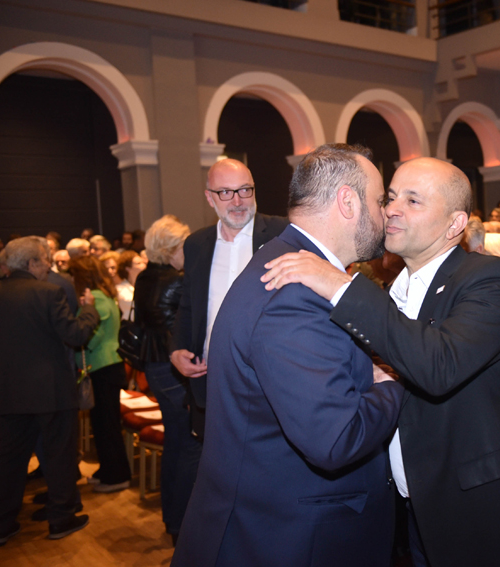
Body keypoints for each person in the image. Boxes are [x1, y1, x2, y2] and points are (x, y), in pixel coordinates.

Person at [263, 156, 500, 567]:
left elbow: (438, 366)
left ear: (455, 224)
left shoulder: (491, 278)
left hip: (483, 512)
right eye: (390, 197)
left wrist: (341, 285)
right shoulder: (392, 293)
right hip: (418, 510)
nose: (392, 209)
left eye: (413, 200)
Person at [172, 144, 403, 566]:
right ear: (348, 202)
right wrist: (392, 385)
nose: (386, 213)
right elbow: (336, 439)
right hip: (290, 536)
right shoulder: (295, 294)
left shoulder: (280, 258)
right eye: (379, 200)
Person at [170, 158, 288, 438]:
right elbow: (188, 306)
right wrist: (176, 349)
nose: (237, 201)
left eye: (245, 190)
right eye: (225, 192)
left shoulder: (283, 234)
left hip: (271, 382)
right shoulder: (196, 244)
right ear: (209, 198)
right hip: (210, 381)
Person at [0, 237, 98, 545]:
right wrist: (89, 311)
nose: (48, 266)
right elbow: (75, 334)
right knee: (59, 455)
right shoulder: (48, 293)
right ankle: (61, 519)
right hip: (51, 390)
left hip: (8, 391)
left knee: (9, 458)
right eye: (44, 261)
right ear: (32, 263)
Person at [135, 215, 199, 544]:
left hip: (154, 367)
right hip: (173, 369)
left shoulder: (145, 276)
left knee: (175, 443)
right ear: (171, 248)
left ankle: (173, 521)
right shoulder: (176, 280)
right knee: (189, 445)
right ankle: (182, 524)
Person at [68, 255, 131, 493]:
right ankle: (107, 470)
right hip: (105, 366)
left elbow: (89, 337)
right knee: (103, 424)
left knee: (107, 426)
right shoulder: (102, 295)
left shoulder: (97, 298)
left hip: (104, 367)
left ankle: (117, 476)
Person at [116, 250, 145, 321]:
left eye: (143, 262)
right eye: (139, 263)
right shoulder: (121, 289)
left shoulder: (145, 285)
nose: (144, 265)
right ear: (128, 268)